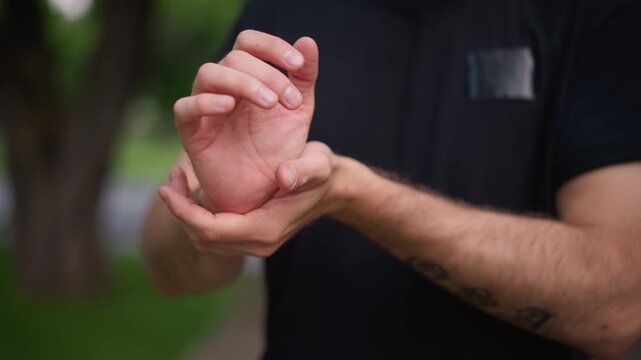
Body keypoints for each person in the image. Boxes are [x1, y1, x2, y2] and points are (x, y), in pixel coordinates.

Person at [142, 0, 641, 359]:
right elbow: (168, 275)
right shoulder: (280, 12)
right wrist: (219, 208)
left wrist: (356, 193)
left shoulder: (595, 14)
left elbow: (618, 309)